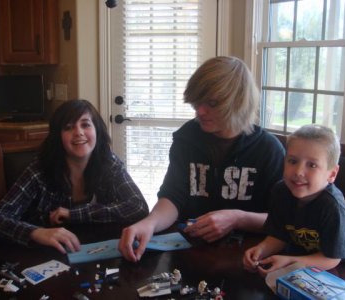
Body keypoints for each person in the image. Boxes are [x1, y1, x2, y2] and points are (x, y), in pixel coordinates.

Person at [119, 56, 285, 262]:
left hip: (248, 257)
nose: (199, 111)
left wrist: (236, 219)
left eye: (212, 103)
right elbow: (173, 197)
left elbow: (283, 220)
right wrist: (149, 223)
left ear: (238, 102)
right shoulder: (186, 138)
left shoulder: (269, 150)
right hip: (189, 254)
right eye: (197, 102)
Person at [0, 99, 149, 254]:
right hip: (44, 254)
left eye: (85, 125)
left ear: (97, 130)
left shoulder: (109, 163)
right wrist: (36, 233)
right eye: (68, 127)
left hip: (96, 252)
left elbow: (138, 207)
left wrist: (73, 214)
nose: (78, 132)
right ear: (58, 136)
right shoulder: (39, 170)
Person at [243, 124, 345, 275]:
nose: (299, 172)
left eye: (312, 165)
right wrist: (261, 250)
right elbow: (279, 235)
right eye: (293, 161)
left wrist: (290, 262)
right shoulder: (280, 192)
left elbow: (331, 259)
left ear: (332, 174)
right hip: (313, 259)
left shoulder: (331, 206)